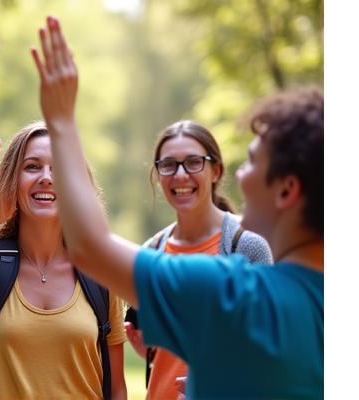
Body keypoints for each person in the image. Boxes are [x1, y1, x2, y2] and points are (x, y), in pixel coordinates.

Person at [32, 16, 323, 399]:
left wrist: (62, 122)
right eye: (168, 165)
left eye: (252, 161)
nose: (240, 173)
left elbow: (88, 246)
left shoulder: (229, 290)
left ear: (287, 190)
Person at [0, 121, 128, 399]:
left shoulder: (100, 274)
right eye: (32, 166)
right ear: (11, 181)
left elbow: (116, 389)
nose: (46, 177)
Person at [123, 120, 272, 399]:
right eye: (168, 164)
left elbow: (269, 351)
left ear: (216, 170)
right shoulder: (151, 250)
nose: (180, 175)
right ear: (158, 174)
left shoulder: (248, 246)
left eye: (193, 162)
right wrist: (152, 350)